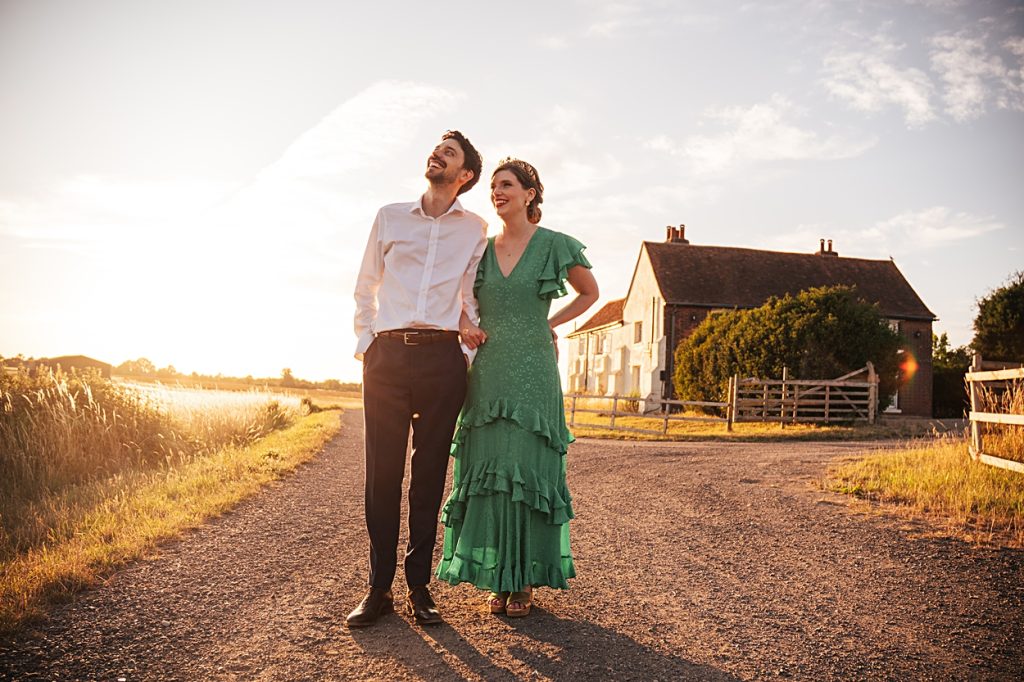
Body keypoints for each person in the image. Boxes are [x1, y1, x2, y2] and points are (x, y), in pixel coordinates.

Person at [435, 157, 599, 617]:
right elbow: (456, 300)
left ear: (530, 194)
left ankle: (522, 580)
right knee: (491, 469)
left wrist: (551, 323)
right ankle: (497, 577)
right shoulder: (478, 248)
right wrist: (466, 324)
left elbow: (590, 292)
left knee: (526, 470)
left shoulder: (555, 245)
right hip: (489, 369)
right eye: (493, 187)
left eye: (506, 185)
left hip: (534, 368)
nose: (497, 192)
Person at [348, 131, 487, 628]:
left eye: (449, 154)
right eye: (437, 149)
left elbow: (471, 295)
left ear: (465, 175)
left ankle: (418, 587)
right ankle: (378, 587)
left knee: (428, 478)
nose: (437, 155)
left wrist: (468, 336)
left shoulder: (475, 228)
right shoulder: (389, 216)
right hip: (386, 358)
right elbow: (366, 283)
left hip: (442, 362)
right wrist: (367, 344)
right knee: (381, 476)